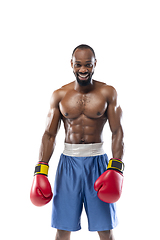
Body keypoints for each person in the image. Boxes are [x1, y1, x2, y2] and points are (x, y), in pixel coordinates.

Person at [30, 44, 124, 240]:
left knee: (105, 229)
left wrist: (115, 168)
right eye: (79, 64)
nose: (83, 70)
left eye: (88, 65)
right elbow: (49, 134)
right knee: (63, 228)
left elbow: (117, 132)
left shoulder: (108, 93)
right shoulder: (60, 95)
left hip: (98, 163)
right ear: (71, 64)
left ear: (95, 64)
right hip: (68, 165)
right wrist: (41, 170)